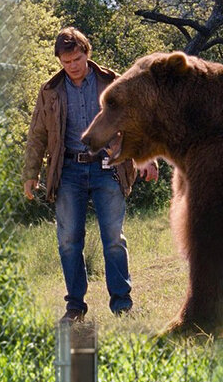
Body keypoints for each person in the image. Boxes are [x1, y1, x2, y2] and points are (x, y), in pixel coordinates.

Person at [22, 27, 158, 322]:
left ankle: (122, 304)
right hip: (67, 170)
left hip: (106, 167)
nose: (72, 66)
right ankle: (75, 307)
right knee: (69, 240)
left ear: (87, 53)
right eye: (66, 61)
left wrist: (145, 158)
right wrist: (30, 174)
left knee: (113, 238)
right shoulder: (50, 91)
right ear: (59, 60)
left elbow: (135, 122)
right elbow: (37, 135)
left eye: (77, 59)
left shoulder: (111, 81)